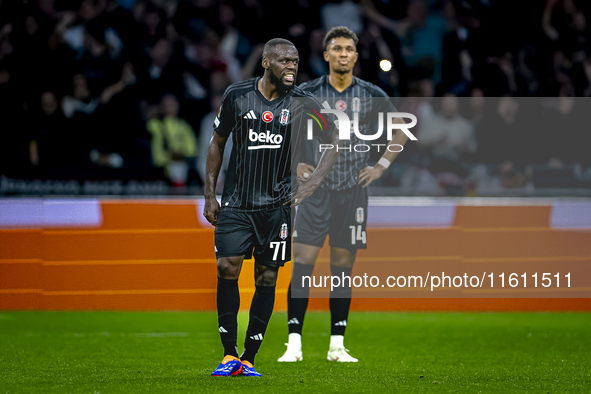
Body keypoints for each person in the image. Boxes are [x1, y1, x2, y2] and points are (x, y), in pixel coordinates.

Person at [204, 38, 339, 377]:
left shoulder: (303, 102)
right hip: (236, 203)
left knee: (267, 277)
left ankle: (249, 358)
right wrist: (209, 194)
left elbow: (335, 140)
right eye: (284, 60)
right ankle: (228, 354)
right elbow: (217, 142)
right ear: (266, 62)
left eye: (295, 60)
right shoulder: (237, 95)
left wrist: (311, 184)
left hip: (276, 207)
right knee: (226, 267)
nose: (291, 66)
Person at [278, 26, 411, 363]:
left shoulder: (371, 94)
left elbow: (401, 129)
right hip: (314, 192)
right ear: (326, 55)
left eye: (348, 49)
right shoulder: (307, 93)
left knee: (342, 266)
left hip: (352, 192)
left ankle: (337, 345)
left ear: (355, 55)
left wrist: (380, 166)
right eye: (336, 48)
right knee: (303, 263)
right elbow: (284, 131)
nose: (342, 53)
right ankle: (294, 344)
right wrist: (296, 165)